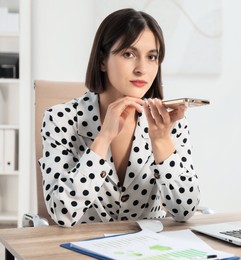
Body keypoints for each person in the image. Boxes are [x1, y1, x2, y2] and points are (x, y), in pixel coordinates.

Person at [38, 8, 200, 227]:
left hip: (151, 248)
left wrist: (161, 141)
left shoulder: (169, 123)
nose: (142, 69)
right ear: (103, 60)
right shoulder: (60, 120)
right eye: (128, 54)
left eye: (152, 57)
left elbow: (185, 210)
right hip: (84, 248)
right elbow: (62, 213)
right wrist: (103, 138)